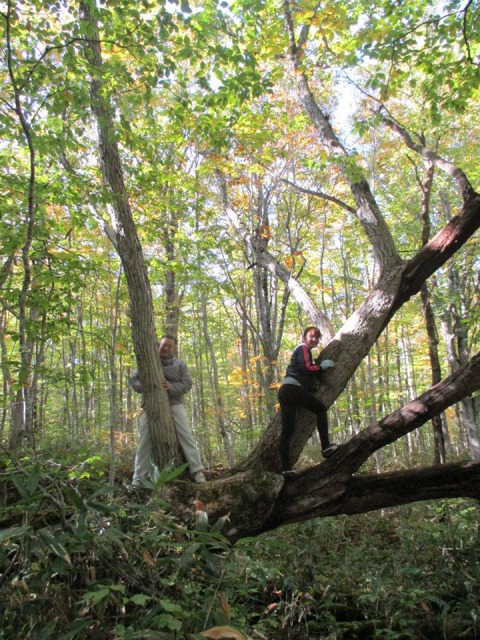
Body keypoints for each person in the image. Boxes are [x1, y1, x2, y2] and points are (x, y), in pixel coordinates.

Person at [130, 335, 206, 486]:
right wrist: (139, 386)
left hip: (175, 404)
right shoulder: (148, 363)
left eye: (169, 346)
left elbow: (187, 384)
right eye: (163, 345)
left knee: (186, 436)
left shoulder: (180, 365)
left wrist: (171, 387)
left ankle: (197, 472)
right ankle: (138, 479)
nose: (165, 348)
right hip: (151, 406)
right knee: (144, 439)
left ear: (174, 348)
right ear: (159, 345)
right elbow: (133, 379)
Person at [278, 326, 339, 478]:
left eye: (317, 337)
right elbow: (306, 368)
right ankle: (325, 447)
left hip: (286, 390)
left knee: (287, 430)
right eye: (311, 336)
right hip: (292, 388)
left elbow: (304, 374)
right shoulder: (303, 348)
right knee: (320, 409)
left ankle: (286, 469)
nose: (314, 339)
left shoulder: (303, 350)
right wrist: (321, 367)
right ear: (305, 336)